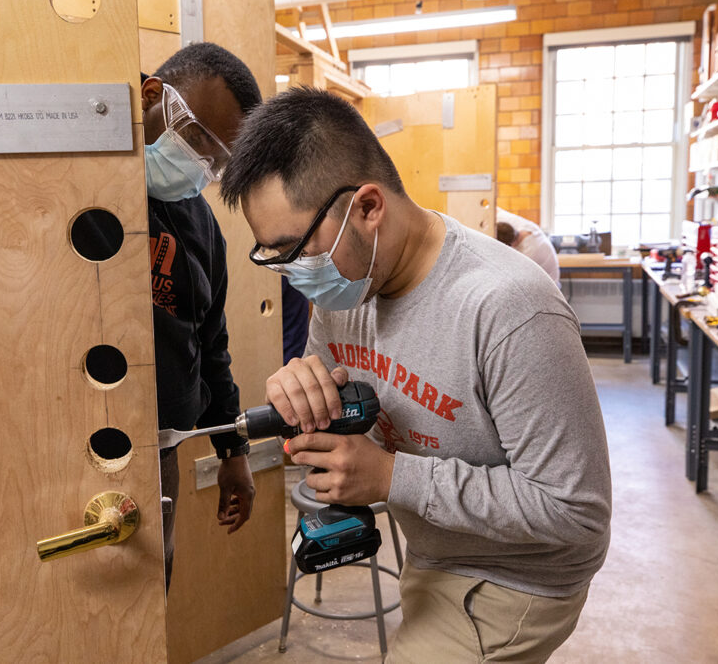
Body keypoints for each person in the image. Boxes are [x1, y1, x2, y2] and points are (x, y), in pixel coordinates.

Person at [219, 87, 611, 662]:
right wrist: (303, 398)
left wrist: (390, 479)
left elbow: (576, 511)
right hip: (436, 551)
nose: (293, 274)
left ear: (369, 207)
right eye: (273, 257)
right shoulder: (347, 287)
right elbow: (349, 420)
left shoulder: (509, 308)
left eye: (296, 250)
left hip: (511, 578)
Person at [142, 43, 261, 591]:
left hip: (161, 448)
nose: (201, 167)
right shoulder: (74, 184)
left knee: (147, 590)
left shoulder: (199, 224)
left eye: (216, 162)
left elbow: (211, 344)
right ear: (152, 99)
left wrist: (232, 448)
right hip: (73, 445)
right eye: (196, 142)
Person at [492, 207, 561, 285]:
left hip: (548, 287)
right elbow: (495, 210)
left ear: (510, 245)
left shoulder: (527, 254)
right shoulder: (525, 226)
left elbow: (510, 279)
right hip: (543, 278)